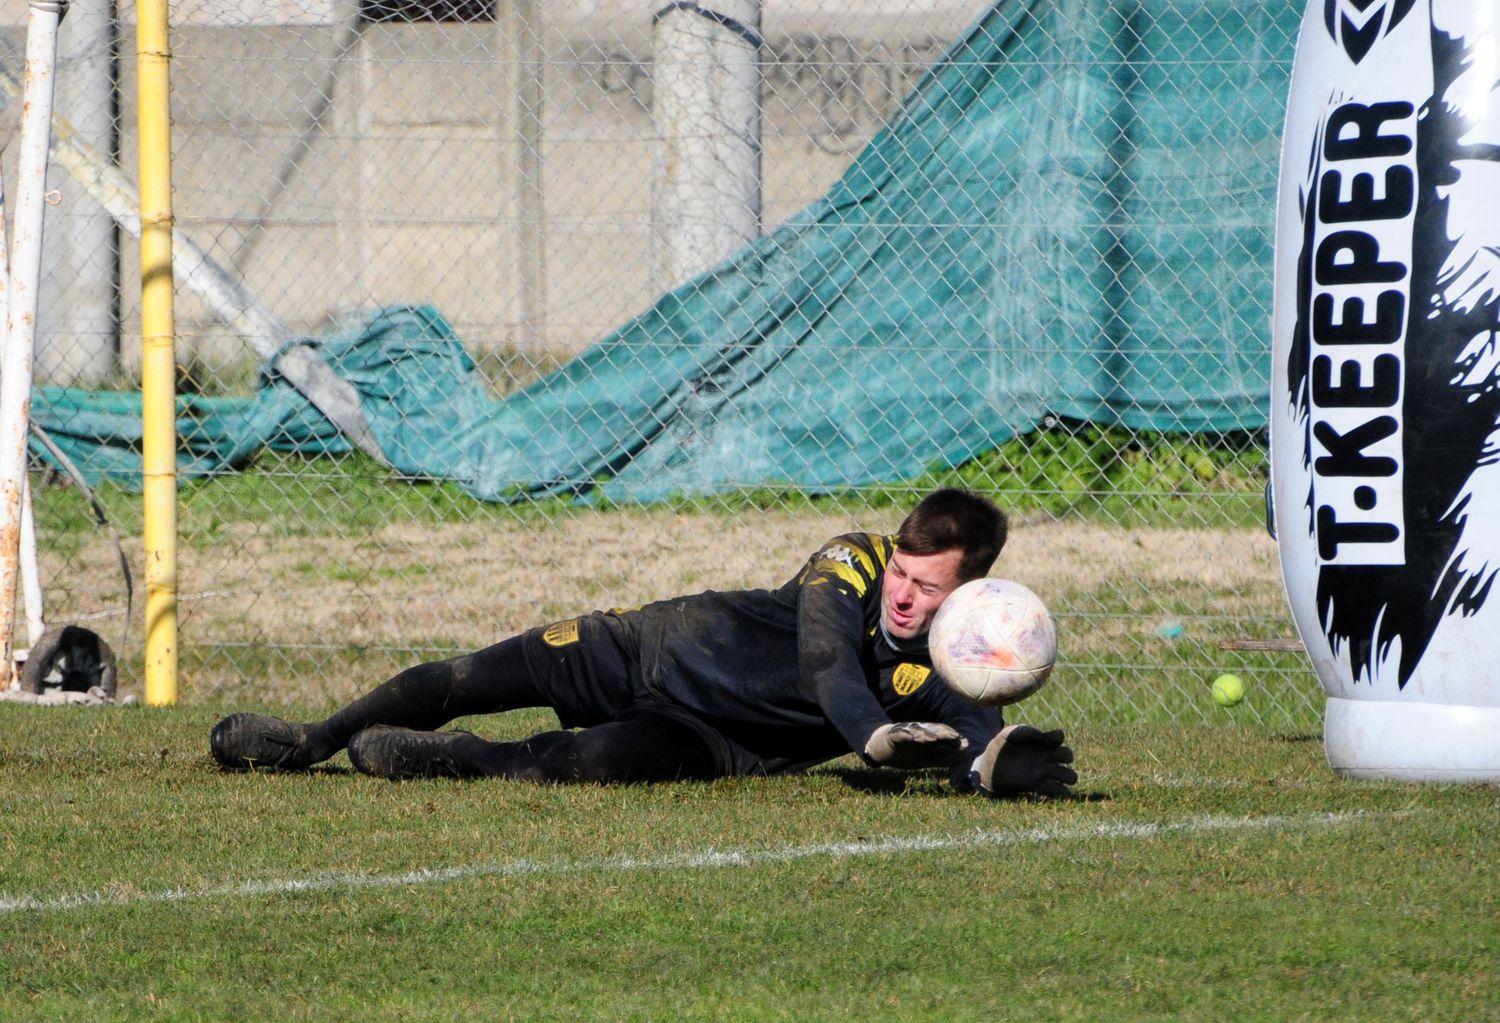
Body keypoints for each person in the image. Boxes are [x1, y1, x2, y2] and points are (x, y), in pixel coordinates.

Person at [210, 488, 1076, 798]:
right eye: (905, 575)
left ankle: (456, 759)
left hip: (711, 738)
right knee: (463, 673)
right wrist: (871, 736)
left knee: (576, 764)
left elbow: (966, 731)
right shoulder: (853, 558)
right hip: (644, 647)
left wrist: (997, 763)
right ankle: (308, 742)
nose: (903, 594)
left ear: (965, 595)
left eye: (927, 590)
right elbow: (826, 663)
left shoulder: (947, 660)